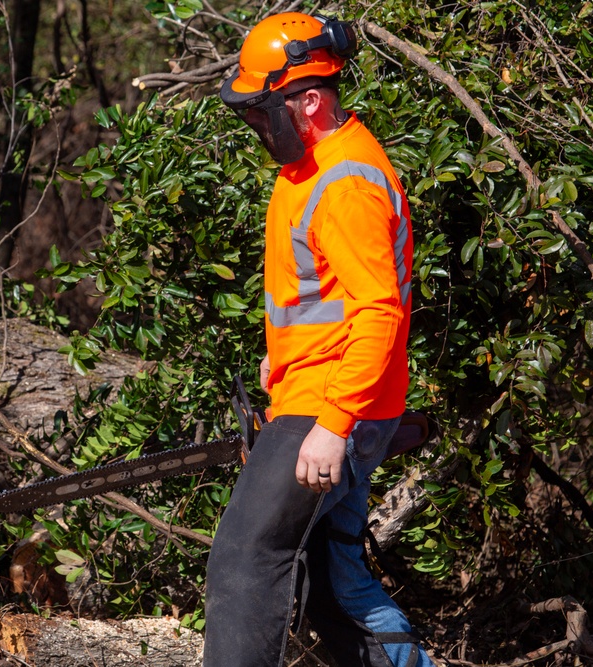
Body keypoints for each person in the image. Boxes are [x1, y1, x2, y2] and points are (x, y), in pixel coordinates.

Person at [204, 12, 435, 667]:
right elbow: (317, 297)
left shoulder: (347, 182)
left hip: (333, 404)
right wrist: (280, 356)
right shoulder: (310, 166)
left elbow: (379, 312)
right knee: (334, 590)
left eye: (263, 110)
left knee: (245, 561)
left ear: (308, 100)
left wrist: (332, 425)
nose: (256, 125)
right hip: (314, 393)